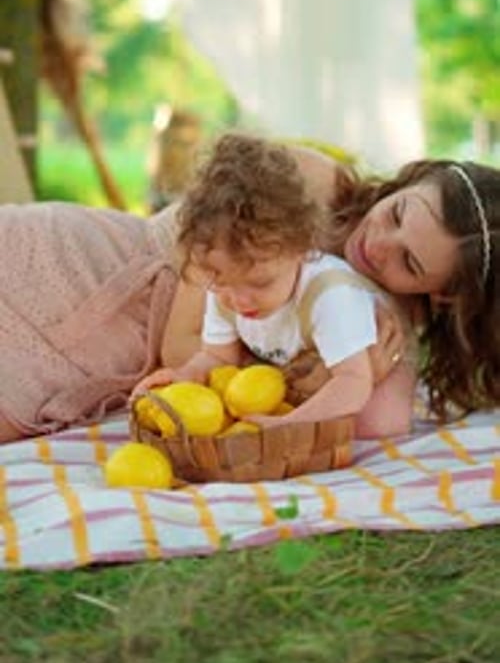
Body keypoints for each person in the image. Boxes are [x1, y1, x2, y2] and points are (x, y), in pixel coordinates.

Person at [0, 133, 498, 442]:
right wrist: (330, 373)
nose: (378, 245)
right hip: (82, 265)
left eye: (409, 263)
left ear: (445, 294)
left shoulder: (381, 316)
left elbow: (382, 425)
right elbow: (183, 344)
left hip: (115, 358)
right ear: (413, 179)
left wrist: (378, 362)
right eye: (397, 213)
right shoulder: (309, 183)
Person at [132, 132, 415, 434]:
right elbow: (217, 358)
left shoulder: (333, 296)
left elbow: (354, 381)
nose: (240, 301)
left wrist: (290, 424)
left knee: (380, 422)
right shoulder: (229, 284)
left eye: (261, 283)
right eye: (220, 282)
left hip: (373, 350)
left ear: (303, 249)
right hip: (301, 354)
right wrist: (182, 377)